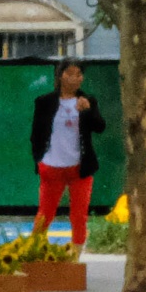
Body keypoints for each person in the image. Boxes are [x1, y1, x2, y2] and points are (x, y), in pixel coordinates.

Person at [29, 61, 105, 249]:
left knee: (79, 215)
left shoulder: (88, 100)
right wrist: (39, 160)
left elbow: (100, 127)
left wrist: (87, 111)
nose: (74, 78)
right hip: (52, 166)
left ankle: (76, 254)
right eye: (70, 73)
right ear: (60, 75)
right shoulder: (45, 101)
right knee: (45, 213)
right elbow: (36, 134)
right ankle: (34, 249)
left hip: (80, 167)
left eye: (79, 74)